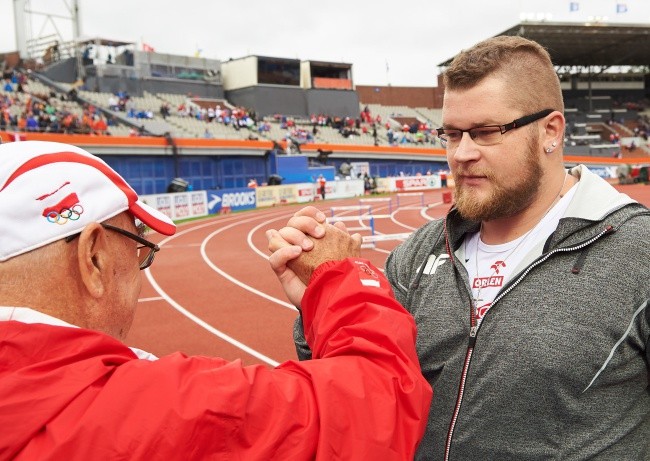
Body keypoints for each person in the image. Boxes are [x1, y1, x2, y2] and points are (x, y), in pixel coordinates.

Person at [274, 36, 650, 460]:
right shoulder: (418, 253)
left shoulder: (639, 254)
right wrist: (320, 305)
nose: (461, 154)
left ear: (551, 131)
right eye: (452, 134)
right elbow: (362, 394)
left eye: (487, 133)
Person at [0, 140, 431, 459]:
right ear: (92, 257)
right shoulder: (142, 409)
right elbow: (375, 408)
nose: (139, 273)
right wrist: (339, 278)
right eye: (135, 247)